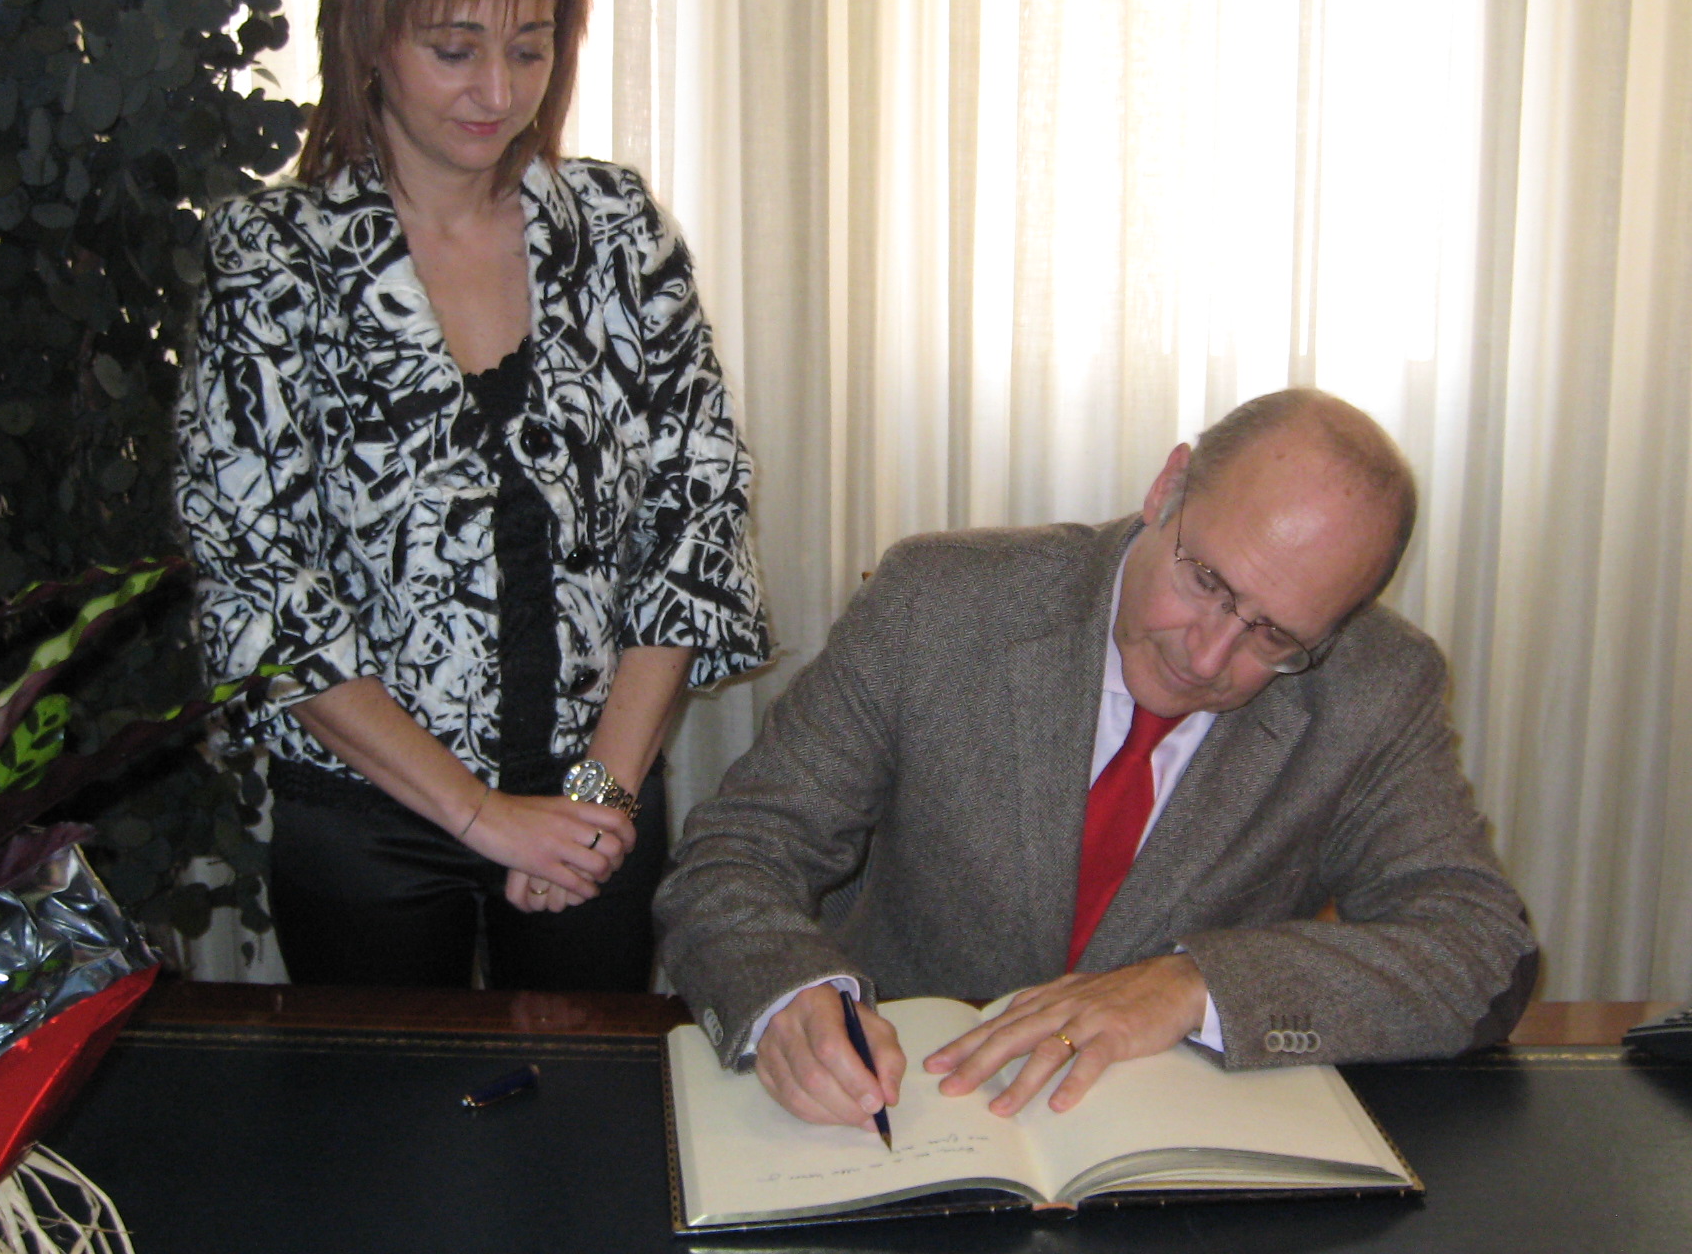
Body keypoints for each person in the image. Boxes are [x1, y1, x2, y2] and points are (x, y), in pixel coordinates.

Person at [176, 0, 770, 990]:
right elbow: (259, 580)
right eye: (454, 49)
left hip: (594, 795)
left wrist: (597, 798)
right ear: (368, 37)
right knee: (389, 1099)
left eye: (529, 47)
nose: (497, 92)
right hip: (367, 819)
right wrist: (483, 817)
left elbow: (695, 520)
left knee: (589, 1091)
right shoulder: (275, 258)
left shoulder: (616, 234)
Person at [655, 389, 1535, 1127]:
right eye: (1207, 581)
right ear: (1167, 487)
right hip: (907, 1110)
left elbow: (1483, 953)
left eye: (1275, 636)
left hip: (1167, 1147)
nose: (1208, 656)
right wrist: (787, 993)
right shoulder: (938, 602)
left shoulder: (1378, 685)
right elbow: (739, 850)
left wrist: (1195, 987)